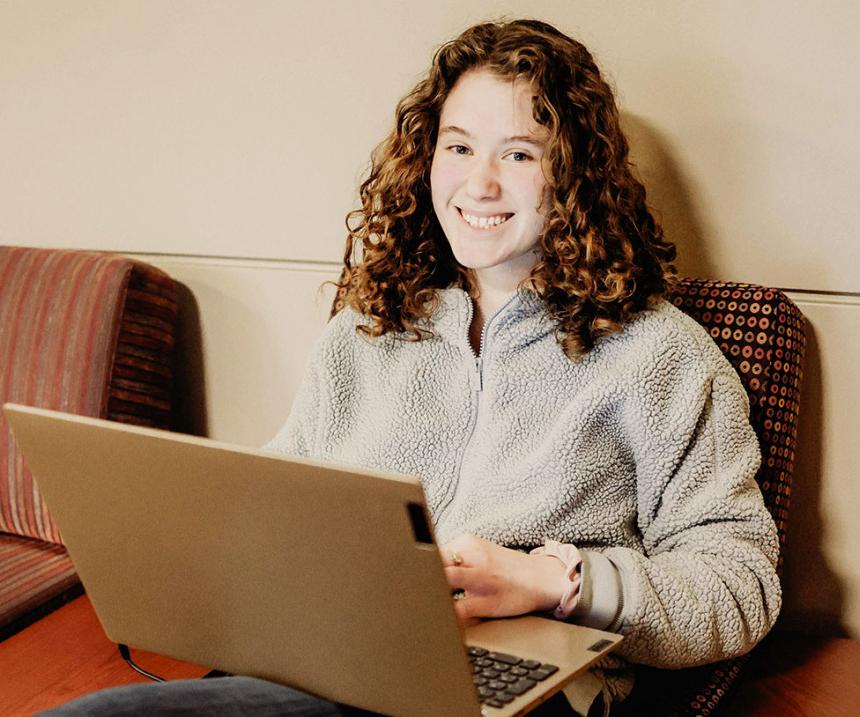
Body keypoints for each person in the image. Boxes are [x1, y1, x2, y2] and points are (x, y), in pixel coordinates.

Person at [45, 18, 781, 717]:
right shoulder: (367, 332)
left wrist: (556, 580)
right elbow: (285, 498)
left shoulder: (659, 354)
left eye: (519, 153)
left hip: (522, 685)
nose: (480, 183)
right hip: (342, 649)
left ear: (573, 174)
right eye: (459, 147)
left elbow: (739, 584)